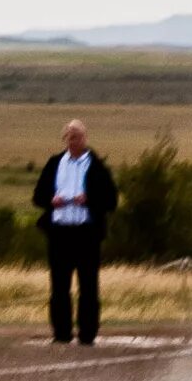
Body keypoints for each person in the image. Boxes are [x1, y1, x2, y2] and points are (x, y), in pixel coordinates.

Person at [31, 119, 117, 346]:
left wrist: (89, 199)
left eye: (77, 136)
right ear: (64, 139)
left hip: (87, 234)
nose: (74, 140)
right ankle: (61, 333)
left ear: (85, 138)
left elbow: (111, 200)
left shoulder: (97, 166)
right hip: (59, 233)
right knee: (59, 285)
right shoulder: (54, 163)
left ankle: (87, 334)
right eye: (70, 136)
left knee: (88, 285)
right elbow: (38, 196)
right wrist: (52, 200)